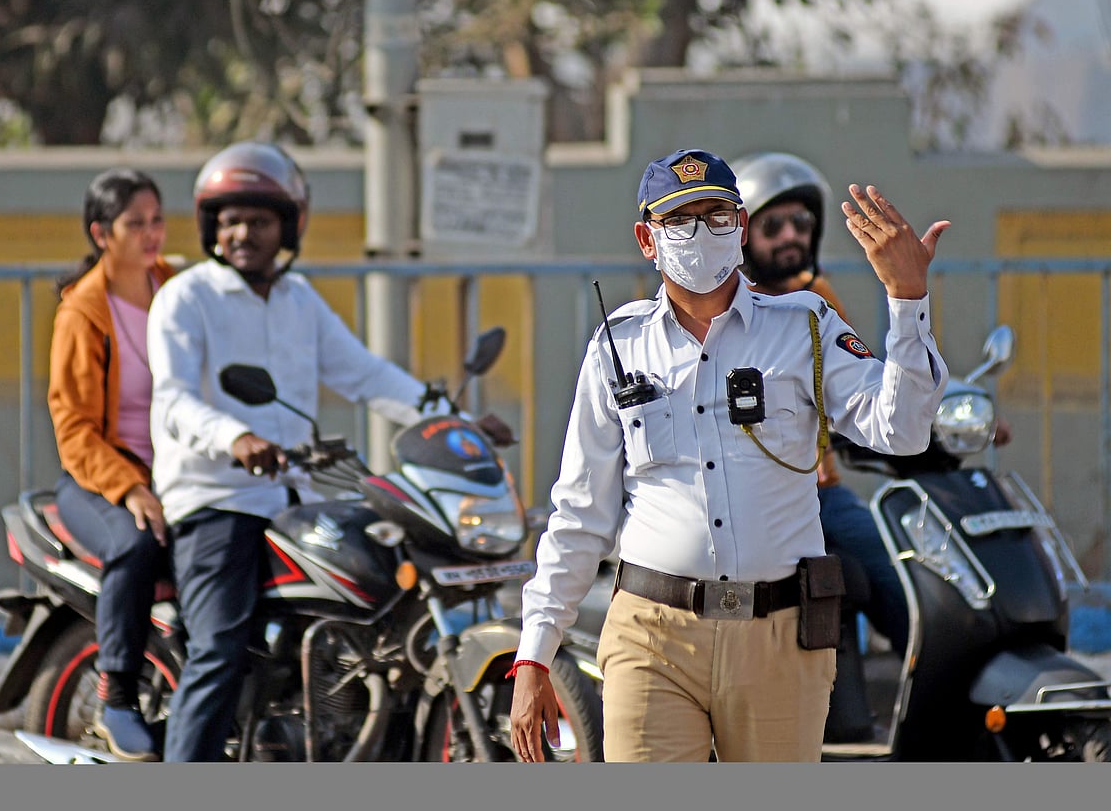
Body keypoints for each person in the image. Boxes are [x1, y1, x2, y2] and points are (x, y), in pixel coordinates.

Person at [509, 148, 951, 763]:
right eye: (680, 220)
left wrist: (907, 300)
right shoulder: (619, 345)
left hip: (777, 637)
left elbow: (901, 431)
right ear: (647, 239)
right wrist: (534, 652)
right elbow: (580, 513)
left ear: (740, 229)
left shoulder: (804, 326)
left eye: (717, 216)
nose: (701, 234)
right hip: (651, 634)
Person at [147, 141, 452, 762]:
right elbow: (173, 401)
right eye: (229, 221)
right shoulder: (187, 297)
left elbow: (365, 375)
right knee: (221, 647)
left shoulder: (297, 299)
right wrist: (236, 438)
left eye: (257, 221)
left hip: (295, 502)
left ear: (287, 226)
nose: (242, 234)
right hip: (217, 501)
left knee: (375, 609)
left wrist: (452, 419)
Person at [732, 150, 910, 656]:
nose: (791, 235)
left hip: (820, 491)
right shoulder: (723, 308)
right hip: (750, 499)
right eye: (773, 225)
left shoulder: (817, 299)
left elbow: (861, 384)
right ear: (742, 235)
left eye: (801, 222)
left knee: (900, 576)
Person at [47, 168, 176, 761]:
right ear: (102, 233)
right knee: (135, 542)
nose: (151, 234)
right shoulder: (84, 313)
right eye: (135, 223)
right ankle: (116, 699)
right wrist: (130, 489)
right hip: (99, 478)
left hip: (174, 471)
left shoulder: (175, 290)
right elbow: (73, 431)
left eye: (157, 220)